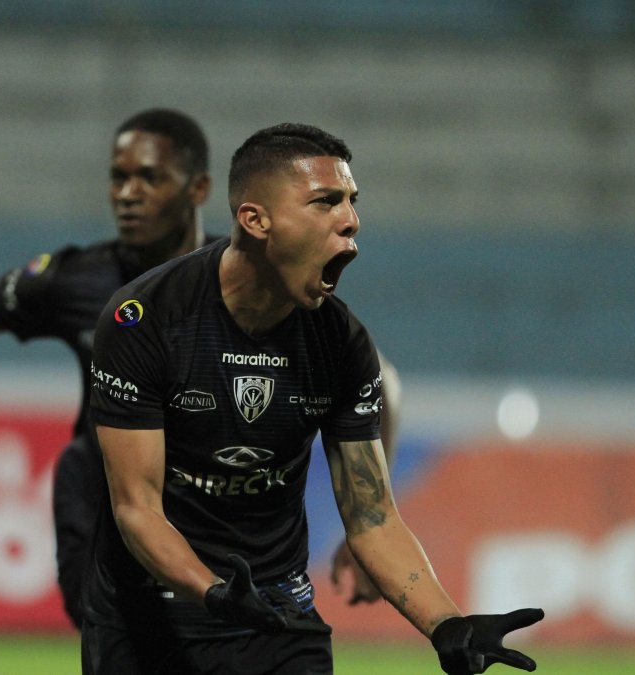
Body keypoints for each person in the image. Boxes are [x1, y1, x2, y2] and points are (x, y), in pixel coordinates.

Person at [0, 108, 396, 629]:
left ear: (199, 189)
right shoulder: (76, 279)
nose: (128, 194)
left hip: (218, 511)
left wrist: (363, 528)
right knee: (119, 625)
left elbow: (377, 384)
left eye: (149, 178)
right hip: (108, 498)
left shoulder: (260, 270)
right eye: (119, 177)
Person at [85, 122, 543, 674]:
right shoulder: (145, 321)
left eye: (351, 201)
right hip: (148, 621)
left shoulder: (341, 343)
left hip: (279, 619)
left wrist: (446, 622)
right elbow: (137, 509)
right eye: (326, 202)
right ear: (256, 220)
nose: (351, 220)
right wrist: (211, 591)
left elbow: (372, 519)